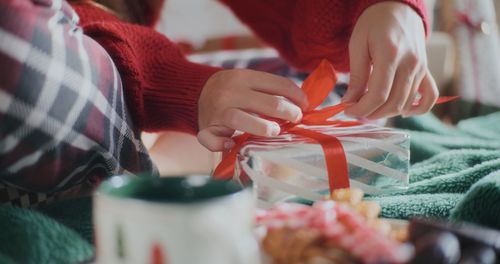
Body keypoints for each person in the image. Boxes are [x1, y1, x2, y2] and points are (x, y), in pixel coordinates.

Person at [0, 0, 434, 206]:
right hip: (45, 73)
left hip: (120, 87)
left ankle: (157, 147)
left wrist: (382, 9)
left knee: (303, 85)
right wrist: (183, 87)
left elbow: (306, 17)